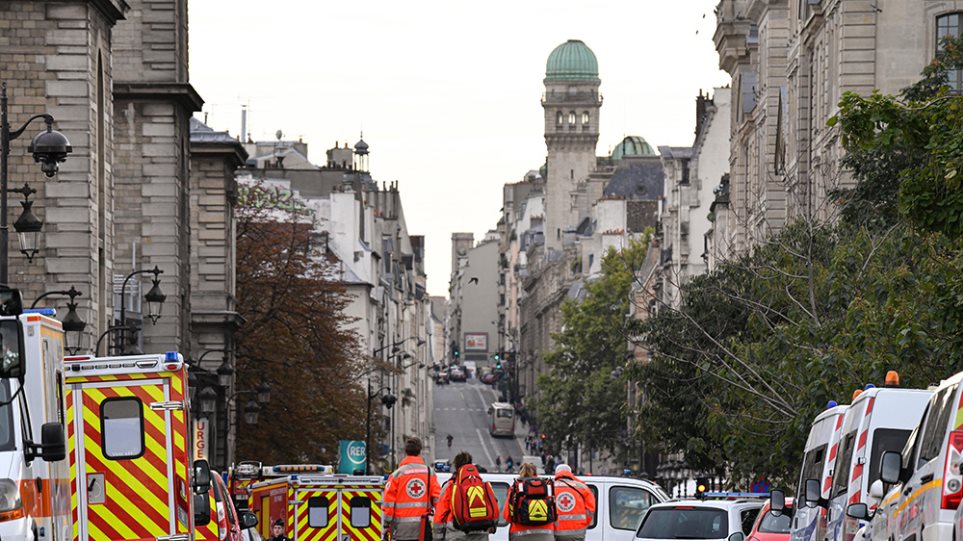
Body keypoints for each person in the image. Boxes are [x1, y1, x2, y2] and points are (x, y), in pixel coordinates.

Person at [383, 437, 441, 541]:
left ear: (406, 451)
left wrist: (386, 524)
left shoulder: (397, 475)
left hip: (402, 530)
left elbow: (388, 503)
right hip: (422, 530)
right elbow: (438, 500)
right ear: (420, 450)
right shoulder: (429, 473)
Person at [433, 451, 498, 541]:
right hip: (481, 535)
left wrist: (438, 538)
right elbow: (494, 507)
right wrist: (493, 527)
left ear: (456, 467)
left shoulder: (450, 486)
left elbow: (439, 516)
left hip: (456, 535)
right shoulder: (482, 485)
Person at [503, 463, 555, 541]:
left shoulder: (516, 488)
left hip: (520, 534)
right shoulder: (547, 487)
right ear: (536, 473)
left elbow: (506, 515)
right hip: (546, 533)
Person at [552, 464, 596, 541]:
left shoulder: (550, 487)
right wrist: (583, 524)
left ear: (556, 473)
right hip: (577, 533)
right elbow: (590, 510)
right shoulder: (582, 488)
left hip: (555, 533)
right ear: (570, 473)